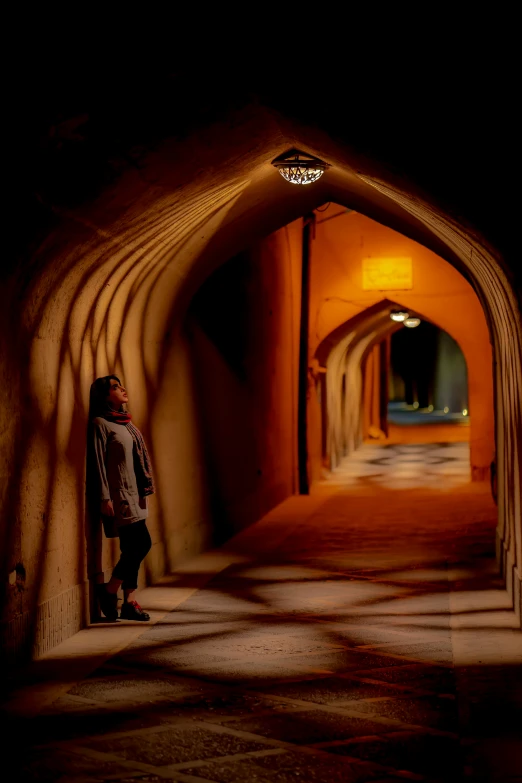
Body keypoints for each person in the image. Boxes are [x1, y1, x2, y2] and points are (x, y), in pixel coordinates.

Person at [89, 375, 155, 621]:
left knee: (131, 549)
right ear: (104, 395)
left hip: (136, 495)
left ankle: (129, 601)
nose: (123, 389)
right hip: (119, 497)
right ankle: (108, 590)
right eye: (115, 387)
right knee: (141, 545)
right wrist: (104, 497)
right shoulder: (100, 424)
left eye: (121, 385)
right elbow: (97, 463)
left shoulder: (126, 424)